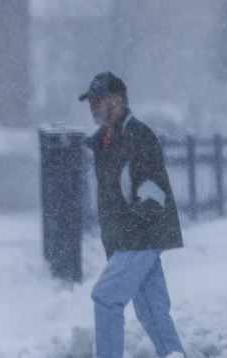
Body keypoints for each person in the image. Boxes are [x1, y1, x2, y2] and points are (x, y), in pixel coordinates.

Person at [79, 72, 186, 358]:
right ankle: (173, 354)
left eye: (98, 101)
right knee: (151, 311)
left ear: (118, 101)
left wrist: (133, 236)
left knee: (106, 298)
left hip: (139, 237)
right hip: (126, 240)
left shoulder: (138, 137)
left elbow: (153, 193)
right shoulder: (104, 142)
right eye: (90, 102)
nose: (93, 107)